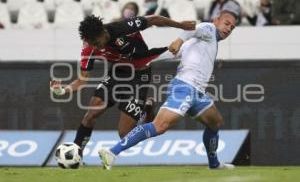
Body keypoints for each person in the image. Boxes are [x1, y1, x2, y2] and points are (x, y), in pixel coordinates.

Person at [99, 10, 238, 170]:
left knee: (215, 122)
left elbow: (172, 52)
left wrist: (147, 60)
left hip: (198, 92)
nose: (228, 29)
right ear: (216, 20)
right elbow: (193, 29)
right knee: (160, 126)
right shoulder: (208, 28)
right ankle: (111, 152)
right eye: (226, 24)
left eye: (232, 28)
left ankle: (214, 164)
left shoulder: (201, 43)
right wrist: (178, 40)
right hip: (185, 87)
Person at [50, 14, 195, 164]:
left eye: (96, 42)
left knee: (124, 133)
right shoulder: (89, 47)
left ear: (103, 32)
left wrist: (180, 25)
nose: (95, 46)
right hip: (118, 73)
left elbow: (154, 19)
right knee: (91, 114)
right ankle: (78, 155)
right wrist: (63, 90)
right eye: (91, 43)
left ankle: (147, 109)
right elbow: (82, 80)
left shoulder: (122, 27)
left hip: (140, 73)